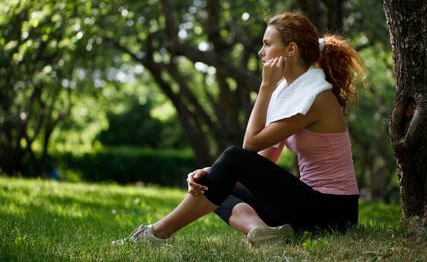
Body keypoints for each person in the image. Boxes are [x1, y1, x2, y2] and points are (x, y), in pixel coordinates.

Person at [113, 12, 366, 246]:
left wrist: (265, 88)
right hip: (308, 207)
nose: (260, 52)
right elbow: (261, 160)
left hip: (334, 214)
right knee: (215, 184)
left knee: (233, 156)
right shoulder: (291, 92)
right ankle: (260, 231)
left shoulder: (316, 96)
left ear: (291, 49)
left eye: (267, 44)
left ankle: (156, 233)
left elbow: (249, 146)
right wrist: (212, 173)